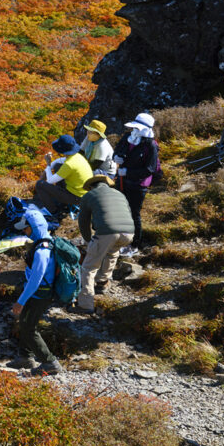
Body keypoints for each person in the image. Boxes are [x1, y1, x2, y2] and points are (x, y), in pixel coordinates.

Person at [8, 206, 64, 374]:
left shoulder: (42, 250)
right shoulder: (47, 241)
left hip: (41, 293)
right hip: (40, 291)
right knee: (25, 321)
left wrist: (21, 301)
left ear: (34, 226)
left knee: (29, 327)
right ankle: (26, 358)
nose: (25, 232)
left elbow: (35, 280)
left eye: (26, 228)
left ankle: (50, 363)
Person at [75, 176, 135, 314]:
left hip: (107, 232)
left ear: (91, 187)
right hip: (128, 233)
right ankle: (102, 283)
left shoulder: (89, 196)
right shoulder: (119, 194)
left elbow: (83, 222)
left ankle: (85, 304)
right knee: (112, 254)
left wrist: (88, 240)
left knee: (89, 267)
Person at [113, 112, 160, 256]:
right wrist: (117, 157)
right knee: (119, 210)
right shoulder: (128, 137)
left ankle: (134, 244)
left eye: (138, 128)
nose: (135, 130)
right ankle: (120, 238)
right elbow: (119, 149)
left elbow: (149, 169)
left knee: (133, 213)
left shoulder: (151, 145)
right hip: (122, 181)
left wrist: (128, 172)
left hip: (138, 185)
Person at [31, 135, 92, 218]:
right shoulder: (78, 156)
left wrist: (48, 164)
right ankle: (62, 202)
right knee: (57, 166)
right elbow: (58, 162)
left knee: (40, 184)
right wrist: (51, 165)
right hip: (85, 193)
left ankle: (54, 212)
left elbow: (49, 181)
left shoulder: (69, 165)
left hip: (77, 197)